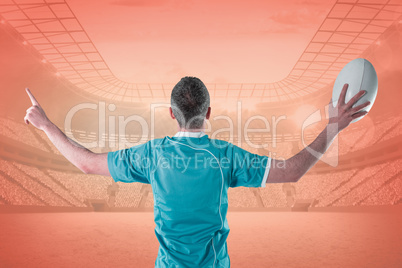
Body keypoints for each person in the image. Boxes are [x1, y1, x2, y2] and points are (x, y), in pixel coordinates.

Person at [24, 77, 370, 267]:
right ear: (208, 113)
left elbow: (86, 162)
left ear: (172, 114)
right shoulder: (225, 157)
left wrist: (46, 125)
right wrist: (334, 127)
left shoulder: (152, 155)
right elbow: (293, 171)